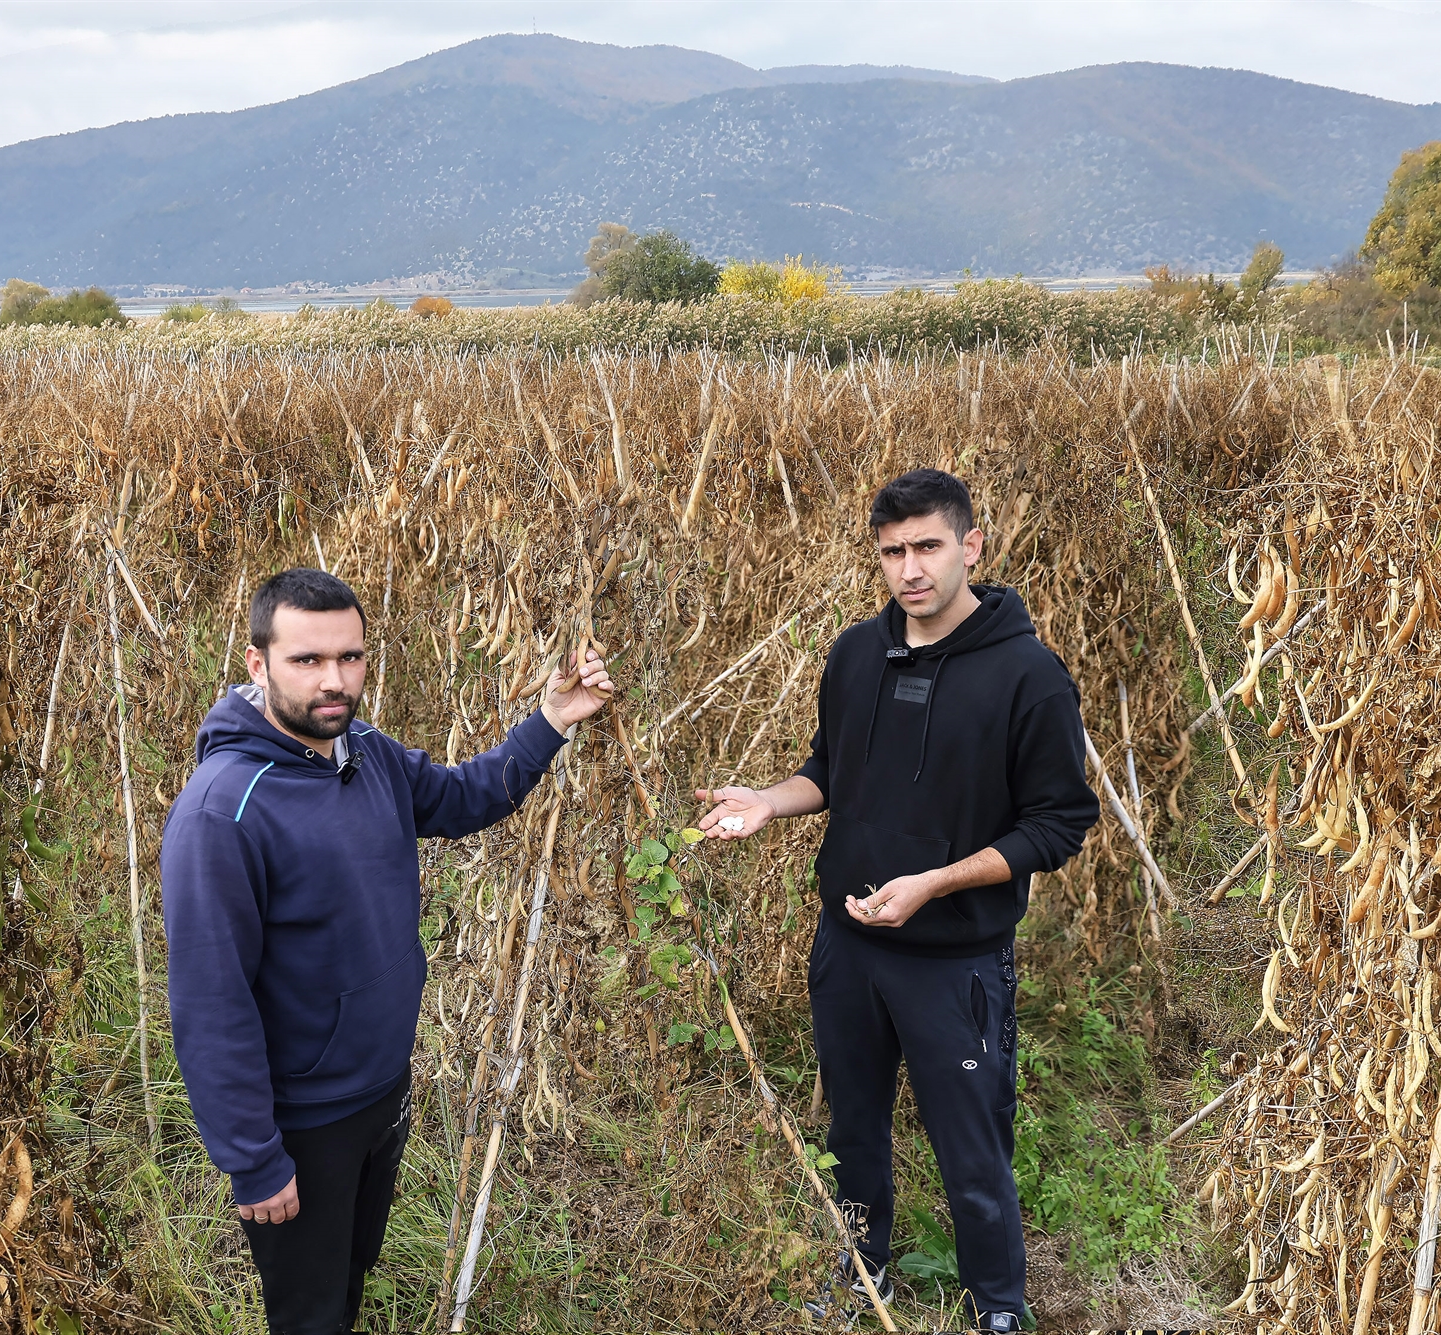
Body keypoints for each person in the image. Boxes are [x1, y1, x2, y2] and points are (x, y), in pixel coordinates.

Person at [696, 469, 1098, 1331]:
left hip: (955, 964)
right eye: (891, 552)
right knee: (853, 1130)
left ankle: (998, 1307)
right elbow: (829, 769)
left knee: (972, 1147)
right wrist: (768, 800)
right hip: (848, 948)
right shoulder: (855, 653)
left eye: (927, 546)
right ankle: (861, 1274)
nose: (909, 569)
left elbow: (1059, 824)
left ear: (971, 546)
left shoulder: (1028, 676)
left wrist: (936, 883)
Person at [161, 567, 613, 1335]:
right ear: (258, 664)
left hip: (381, 1090)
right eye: (307, 659)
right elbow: (210, 1004)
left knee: (350, 1281)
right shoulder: (221, 812)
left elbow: (462, 797)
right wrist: (254, 1160)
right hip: (304, 1122)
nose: (334, 680)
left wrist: (552, 719)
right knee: (309, 1315)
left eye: (351, 656)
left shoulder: (365, 750)